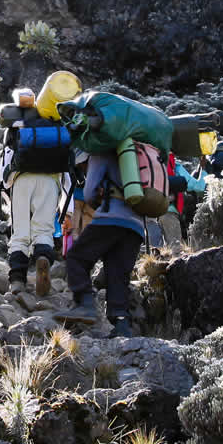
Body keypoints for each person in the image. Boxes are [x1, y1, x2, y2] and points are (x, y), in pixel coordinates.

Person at [54, 113, 149, 339]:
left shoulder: (101, 153)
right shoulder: (137, 155)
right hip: (136, 226)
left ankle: (85, 302)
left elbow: (88, 192)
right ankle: (122, 326)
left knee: (77, 256)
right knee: (118, 274)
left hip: (110, 218)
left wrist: (96, 197)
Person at [0, 75, 79, 296]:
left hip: (22, 179)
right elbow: (67, 175)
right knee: (43, 229)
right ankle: (43, 258)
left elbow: (5, 163)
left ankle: (17, 282)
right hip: (50, 180)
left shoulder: (17, 127)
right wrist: (68, 211)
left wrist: (6, 183)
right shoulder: (58, 127)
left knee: (20, 233)